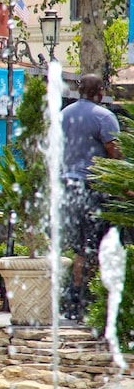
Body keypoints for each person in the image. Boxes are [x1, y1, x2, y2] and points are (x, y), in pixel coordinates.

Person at [61, 73, 122, 317]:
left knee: (78, 248)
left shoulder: (63, 115)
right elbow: (115, 156)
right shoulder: (104, 117)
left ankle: (75, 298)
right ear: (99, 92)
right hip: (92, 189)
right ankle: (91, 299)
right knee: (97, 246)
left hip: (66, 189)